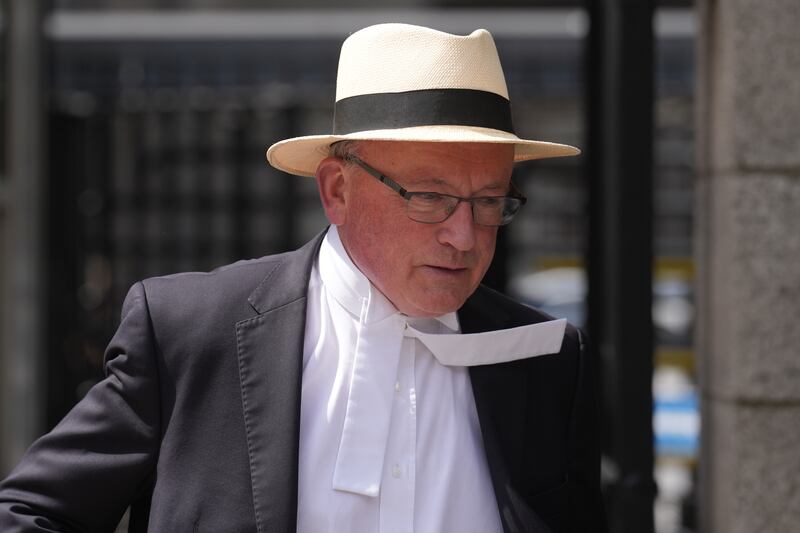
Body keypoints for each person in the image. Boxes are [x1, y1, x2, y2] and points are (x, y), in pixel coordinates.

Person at [0, 23, 605, 532]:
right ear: (337, 190)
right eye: (430, 197)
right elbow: (28, 515)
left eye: (490, 201)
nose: (465, 235)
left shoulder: (546, 359)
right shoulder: (191, 332)